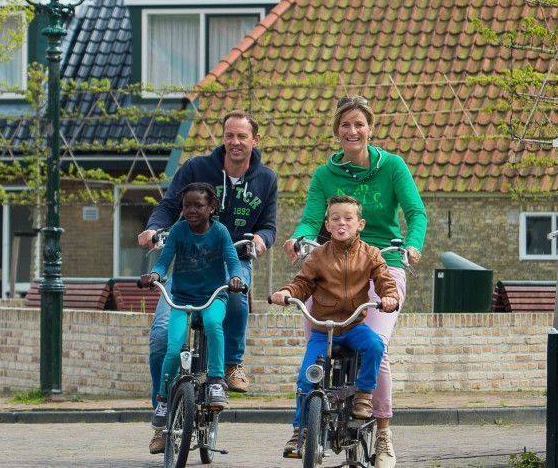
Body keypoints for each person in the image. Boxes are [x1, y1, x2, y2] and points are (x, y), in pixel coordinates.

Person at [281, 96, 426, 466]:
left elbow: (415, 212)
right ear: (337, 131)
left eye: (359, 124)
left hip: (383, 263)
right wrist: (299, 239)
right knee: (316, 339)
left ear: (370, 128)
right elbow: (311, 219)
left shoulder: (392, 166)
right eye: (345, 125)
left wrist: (411, 245)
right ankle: (308, 421)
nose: (352, 131)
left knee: (376, 345)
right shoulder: (324, 175)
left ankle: (383, 435)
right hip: (332, 266)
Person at [139, 110, 278, 453]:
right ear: (223, 138)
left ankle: (231, 365)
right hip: (185, 264)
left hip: (231, 261)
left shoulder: (266, 179)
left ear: (254, 141)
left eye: (242, 136)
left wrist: (261, 239)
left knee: (236, 296)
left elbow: (269, 226)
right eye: (229, 135)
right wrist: (154, 228)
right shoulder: (196, 170)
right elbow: (169, 206)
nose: (235, 142)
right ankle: (163, 413)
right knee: (160, 338)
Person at [271, 194, 401, 458]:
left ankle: (364, 394)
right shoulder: (318, 256)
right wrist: (286, 292)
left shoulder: (370, 254)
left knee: (375, 346)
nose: (342, 224)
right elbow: (302, 283)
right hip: (324, 329)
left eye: (348, 219)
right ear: (327, 225)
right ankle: (301, 431)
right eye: (335, 219)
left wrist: (390, 296)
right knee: (307, 376)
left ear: (360, 224)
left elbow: (384, 279)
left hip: (353, 326)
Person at [139, 182, 246, 438]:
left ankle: (217, 381)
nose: (191, 210)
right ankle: (164, 398)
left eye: (198, 205)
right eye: (187, 205)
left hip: (212, 298)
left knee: (212, 324)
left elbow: (233, 260)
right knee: (173, 346)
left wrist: (235, 278)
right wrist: (155, 274)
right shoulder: (178, 230)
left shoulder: (220, 232)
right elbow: (165, 260)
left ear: (211, 207)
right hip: (182, 300)